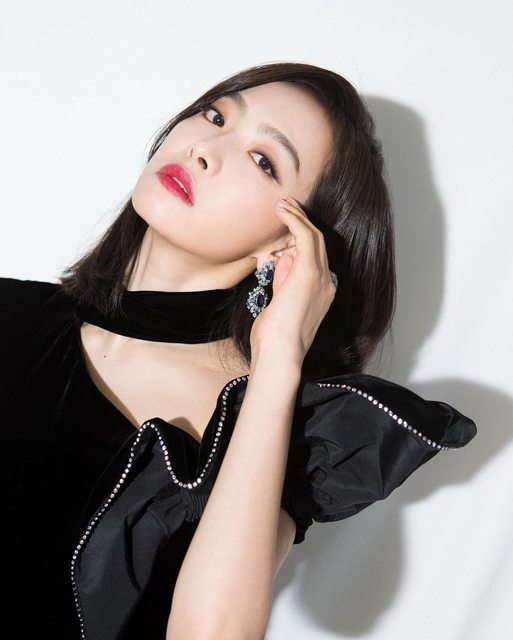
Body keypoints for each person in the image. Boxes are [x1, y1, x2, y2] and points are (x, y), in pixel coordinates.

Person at [1, 62, 476, 639]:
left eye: (263, 160)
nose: (205, 150)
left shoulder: (266, 423)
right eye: (216, 116)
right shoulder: (13, 312)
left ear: (290, 243)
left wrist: (279, 357)